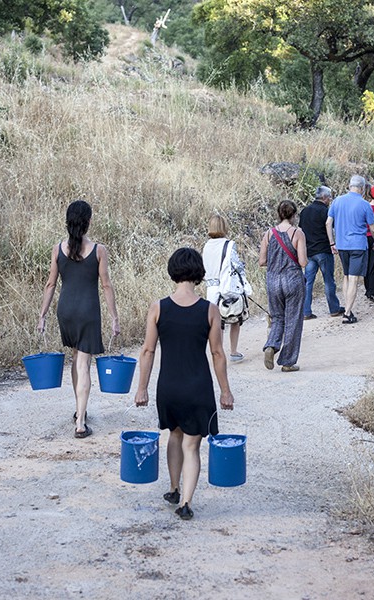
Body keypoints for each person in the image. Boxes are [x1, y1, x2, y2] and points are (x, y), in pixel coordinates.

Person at [134, 248, 234, 521]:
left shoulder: (158, 307)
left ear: (173, 271)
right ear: (198, 273)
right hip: (198, 388)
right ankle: (186, 503)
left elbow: (147, 351)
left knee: (174, 436)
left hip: (169, 387)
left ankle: (174, 488)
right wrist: (225, 391)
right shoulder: (210, 310)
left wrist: (142, 388)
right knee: (192, 446)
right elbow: (217, 354)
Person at [37, 200, 120, 439]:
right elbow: (106, 285)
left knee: (76, 358)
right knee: (84, 363)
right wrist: (114, 318)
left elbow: (50, 284)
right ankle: (81, 422)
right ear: (89, 222)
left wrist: (42, 315)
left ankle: (78, 409)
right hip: (87, 311)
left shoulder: (57, 249)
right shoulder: (98, 250)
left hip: (66, 311)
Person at [259, 200, 308, 371]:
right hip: (292, 279)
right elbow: (302, 261)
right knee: (293, 320)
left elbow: (262, 261)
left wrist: (275, 262)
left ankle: (271, 346)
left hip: (273, 280)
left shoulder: (268, 234)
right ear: (294, 215)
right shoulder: (297, 233)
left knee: (277, 317)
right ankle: (287, 361)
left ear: (279, 214)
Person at [325, 175, 374, 324]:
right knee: (354, 278)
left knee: (346, 276)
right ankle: (347, 313)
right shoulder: (364, 204)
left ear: (349, 186)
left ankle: (348, 307)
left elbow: (328, 223)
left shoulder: (337, 201)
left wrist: (332, 242)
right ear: (362, 188)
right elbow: (373, 228)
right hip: (358, 245)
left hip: (342, 245)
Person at [202, 215, 250, 362]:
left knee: (217, 322)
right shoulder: (229, 245)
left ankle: (218, 352)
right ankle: (234, 351)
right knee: (235, 318)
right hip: (227, 286)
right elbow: (235, 265)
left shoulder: (206, 246)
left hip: (211, 288)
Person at [298, 186, 344, 319]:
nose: (330, 200)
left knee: (308, 282)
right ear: (324, 198)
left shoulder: (305, 211)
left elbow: (301, 230)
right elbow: (331, 227)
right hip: (323, 250)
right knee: (329, 280)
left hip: (309, 251)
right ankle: (334, 308)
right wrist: (333, 243)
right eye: (329, 197)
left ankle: (306, 311)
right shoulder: (326, 211)